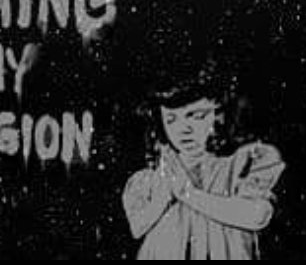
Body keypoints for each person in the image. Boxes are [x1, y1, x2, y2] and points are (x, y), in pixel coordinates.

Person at [121, 66, 284, 259]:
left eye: (196, 116)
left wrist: (189, 194)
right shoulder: (148, 179)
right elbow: (137, 227)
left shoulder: (246, 161)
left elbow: (257, 215)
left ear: (220, 114)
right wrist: (163, 197)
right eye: (171, 119)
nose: (183, 129)